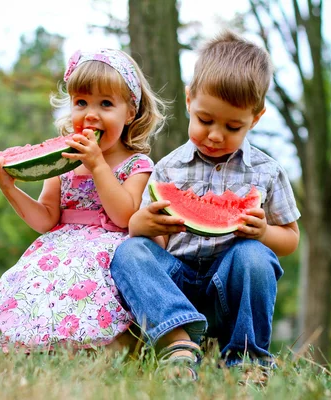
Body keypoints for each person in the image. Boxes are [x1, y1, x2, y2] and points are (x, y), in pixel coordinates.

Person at [109, 30, 301, 380]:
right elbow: (157, 246)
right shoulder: (167, 169)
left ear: (255, 119)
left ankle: (248, 359)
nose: (215, 135)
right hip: (176, 287)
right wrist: (142, 225)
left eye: (232, 126)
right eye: (205, 120)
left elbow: (290, 239)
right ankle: (177, 343)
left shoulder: (268, 172)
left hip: (229, 290)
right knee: (129, 252)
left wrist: (264, 232)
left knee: (255, 256)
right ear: (188, 101)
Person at [0, 48, 166, 353]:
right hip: (55, 253)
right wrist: (8, 186)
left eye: (106, 103)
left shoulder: (137, 164)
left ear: (130, 112)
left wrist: (97, 166)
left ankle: (95, 350)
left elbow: (124, 217)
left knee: (94, 302)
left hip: (109, 254)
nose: (91, 113)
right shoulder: (61, 162)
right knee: (28, 293)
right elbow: (45, 219)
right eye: (81, 102)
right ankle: (31, 350)